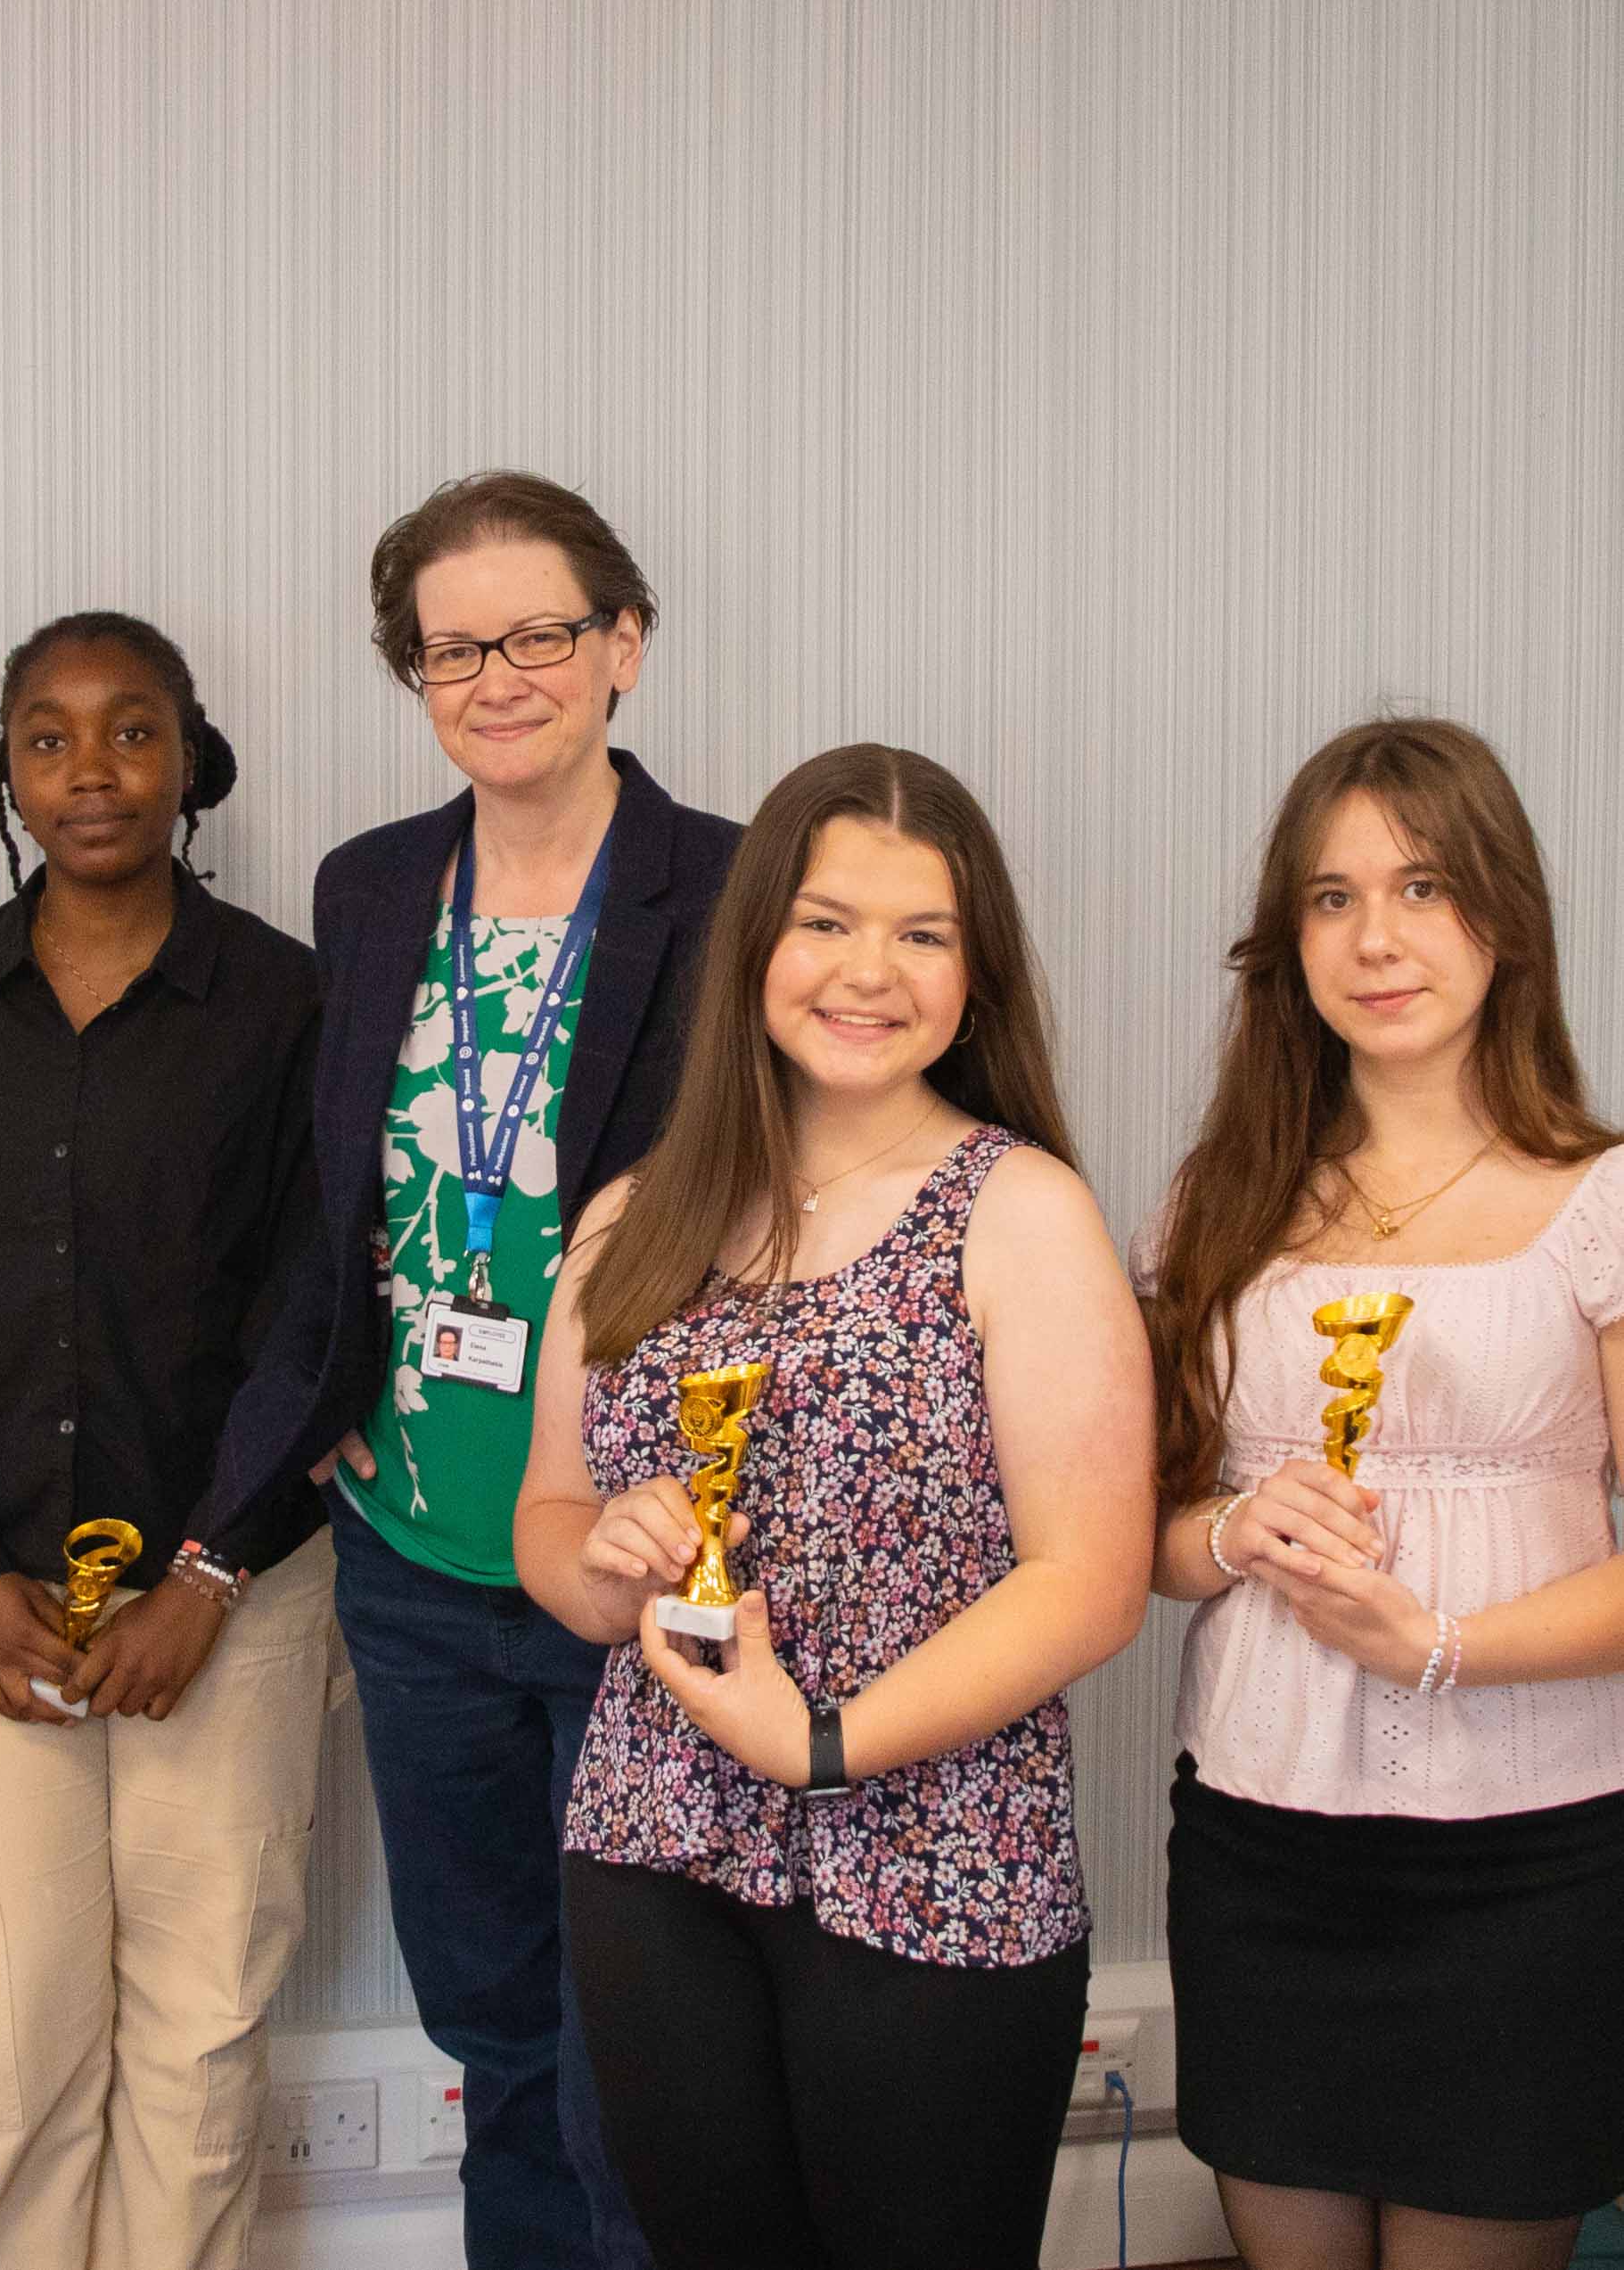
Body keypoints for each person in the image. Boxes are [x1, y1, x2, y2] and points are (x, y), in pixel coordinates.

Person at [514, 744, 1152, 2270]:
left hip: (938, 1859)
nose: (868, 971)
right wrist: (606, 1571)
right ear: (754, 949)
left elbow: (1090, 1580)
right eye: (826, 921)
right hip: (652, 1844)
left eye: (922, 934)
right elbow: (546, 1507)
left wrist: (814, 1744)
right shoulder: (630, 1212)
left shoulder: (1019, 1210)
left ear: (973, 976)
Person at [209, 470, 736, 2270]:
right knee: (494, 2025)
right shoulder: (369, 888)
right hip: (411, 1550)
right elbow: (331, 1186)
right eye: (451, 648)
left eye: (537, 634)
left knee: (633, 2045)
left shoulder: (737, 891)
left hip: (632, 1553)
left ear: (624, 648)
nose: (496, 674)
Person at [0, 611, 336, 2270]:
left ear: (191, 756)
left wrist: (208, 1571)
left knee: (197, 2040)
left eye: (131, 730)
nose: (91, 770)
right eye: (47, 736)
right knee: (7, 2041)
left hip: (233, 1592)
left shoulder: (284, 1000)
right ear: (6, 767)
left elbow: (320, 1311)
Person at [1139, 719, 1624, 2270]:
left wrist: (1431, 1641)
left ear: (1505, 915)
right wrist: (1225, 1533)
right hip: (1257, 1844)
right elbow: (1139, 1537)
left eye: (1422, 884)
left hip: (1525, 1853)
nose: (1376, 937)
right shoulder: (1220, 1195)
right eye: (1331, 898)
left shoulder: (1599, 1199)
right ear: (1288, 943)